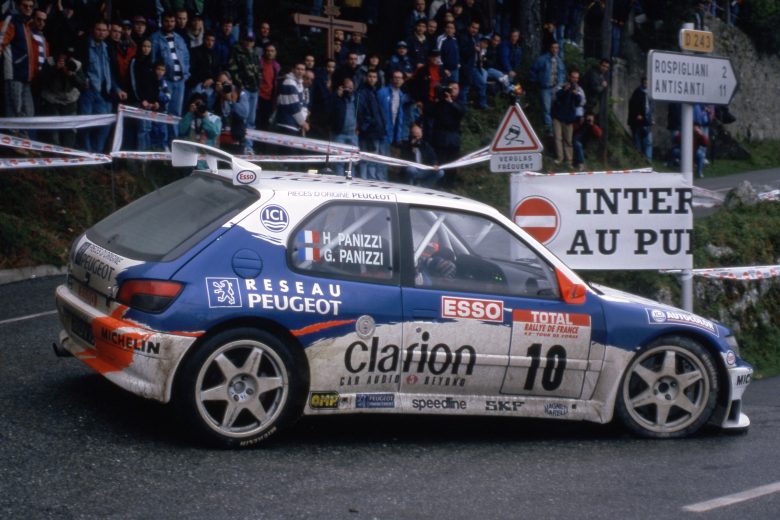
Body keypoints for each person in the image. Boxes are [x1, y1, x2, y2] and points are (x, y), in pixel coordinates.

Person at [77, 20, 117, 153]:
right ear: (93, 30)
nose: (101, 33)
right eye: (98, 29)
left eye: (104, 30)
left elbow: (111, 70)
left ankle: (96, 152)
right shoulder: (84, 45)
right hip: (87, 90)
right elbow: (78, 66)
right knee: (85, 123)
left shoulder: (107, 47)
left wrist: (115, 88)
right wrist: (83, 80)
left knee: (105, 123)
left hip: (102, 91)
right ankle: (85, 152)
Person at [38, 47, 86, 147]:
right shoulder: (50, 61)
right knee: (53, 130)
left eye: (68, 56)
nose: (65, 58)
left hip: (70, 101)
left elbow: (84, 86)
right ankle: (54, 152)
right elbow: (41, 81)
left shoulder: (76, 64)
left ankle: (68, 151)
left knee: (70, 130)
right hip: (52, 99)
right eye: (63, 55)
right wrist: (55, 69)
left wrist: (71, 75)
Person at [1, 0, 37, 120]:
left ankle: (22, 132)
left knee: (28, 113)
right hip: (14, 74)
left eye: (31, 6)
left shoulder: (27, 24)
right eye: (25, 6)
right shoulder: (11, 20)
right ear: (18, 6)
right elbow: (1, 41)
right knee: (15, 112)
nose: (28, 8)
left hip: (26, 76)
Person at [150, 11, 190, 118]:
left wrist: (186, 74)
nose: (170, 24)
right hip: (165, 80)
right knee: (163, 111)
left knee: (176, 113)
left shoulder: (179, 38)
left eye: (172, 21)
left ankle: (174, 131)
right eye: (167, 21)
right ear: (162, 22)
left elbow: (186, 57)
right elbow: (153, 59)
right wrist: (158, 78)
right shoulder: (155, 38)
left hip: (180, 81)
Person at [529, 41, 566, 135]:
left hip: (556, 87)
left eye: (556, 48)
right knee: (546, 109)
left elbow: (562, 73)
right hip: (545, 87)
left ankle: (556, 129)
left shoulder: (559, 60)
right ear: (550, 48)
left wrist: (561, 84)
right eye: (553, 47)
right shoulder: (542, 59)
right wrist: (536, 81)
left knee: (555, 109)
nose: (555, 50)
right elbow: (533, 70)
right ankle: (549, 129)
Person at [227, 32, 261, 131]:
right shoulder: (236, 52)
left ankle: (249, 140)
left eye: (251, 41)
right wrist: (240, 84)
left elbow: (259, 70)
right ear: (243, 41)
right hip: (243, 88)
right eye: (247, 40)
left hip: (255, 89)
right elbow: (233, 69)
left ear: (253, 42)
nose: (249, 43)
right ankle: (240, 136)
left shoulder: (255, 54)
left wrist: (259, 83)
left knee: (252, 118)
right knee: (243, 114)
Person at [551, 69, 584, 167]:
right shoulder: (562, 85)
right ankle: (559, 158)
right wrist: (564, 89)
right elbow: (556, 96)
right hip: (558, 116)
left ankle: (569, 161)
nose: (575, 79)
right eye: (573, 77)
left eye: (576, 78)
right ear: (569, 77)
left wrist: (575, 94)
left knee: (568, 140)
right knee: (558, 138)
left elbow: (580, 102)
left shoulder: (579, 89)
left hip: (569, 118)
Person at [356, 70, 386, 180]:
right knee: (364, 157)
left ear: (377, 79)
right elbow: (360, 112)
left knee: (373, 158)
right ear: (366, 77)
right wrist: (366, 125)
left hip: (376, 131)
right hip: (367, 131)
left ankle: (371, 179)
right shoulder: (362, 92)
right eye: (370, 76)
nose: (372, 79)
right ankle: (364, 179)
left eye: (374, 77)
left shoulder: (375, 92)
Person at [328, 76, 360, 176]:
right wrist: (337, 96)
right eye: (347, 87)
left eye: (351, 88)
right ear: (342, 87)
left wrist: (359, 127)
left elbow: (361, 114)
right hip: (339, 134)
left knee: (352, 161)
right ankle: (339, 181)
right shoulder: (336, 98)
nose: (348, 90)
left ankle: (350, 180)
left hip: (353, 134)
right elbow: (329, 111)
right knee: (338, 161)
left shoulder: (356, 99)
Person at [402, 123, 444, 188]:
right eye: (415, 135)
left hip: (424, 169)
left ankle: (423, 186)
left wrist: (434, 164)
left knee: (440, 172)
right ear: (411, 134)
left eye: (419, 134)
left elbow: (432, 157)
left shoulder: (426, 145)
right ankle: (410, 186)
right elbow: (403, 159)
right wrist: (411, 148)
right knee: (411, 169)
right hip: (413, 170)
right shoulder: (406, 145)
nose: (417, 137)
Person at [274, 62, 309, 136]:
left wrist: (302, 119)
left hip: (294, 125)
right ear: (293, 70)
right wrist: (302, 122)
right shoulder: (289, 83)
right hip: (286, 124)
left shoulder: (299, 84)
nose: (300, 71)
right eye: (298, 69)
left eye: (302, 69)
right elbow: (294, 106)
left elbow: (304, 104)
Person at [628, 76, 654, 160]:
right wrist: (637, 115)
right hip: (638, 122)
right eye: (645, 82)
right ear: (642, 82)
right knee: (637, 142)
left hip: (647, 120)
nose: (646, 84)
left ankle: (647, 160)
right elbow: (633, 106)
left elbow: (651, 107)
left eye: (648, 83)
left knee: (648, 142)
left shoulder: (650, 93)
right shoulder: (637, 92)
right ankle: (638, 159)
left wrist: (651, 118)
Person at [257, 43, 280, 131]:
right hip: (259, 96)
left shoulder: (276, 66)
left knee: (266, 123)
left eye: (272, 51)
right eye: (268, 51)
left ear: (275, 53)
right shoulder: (259, 63)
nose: (270, 53)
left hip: (270, 98)